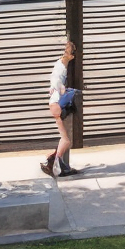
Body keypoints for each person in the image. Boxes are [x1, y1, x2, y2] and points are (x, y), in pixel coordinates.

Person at [40, 38, 78, 179]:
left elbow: (53, 80)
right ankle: (54, 163)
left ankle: (53, 160)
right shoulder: (62, 67)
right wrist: (62, 91)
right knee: (66, 140)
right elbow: (57, 82)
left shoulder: (58, 64)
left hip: (54, 103)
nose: (66, 55)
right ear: (72, 56)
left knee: (65, 139)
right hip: (56, 104)